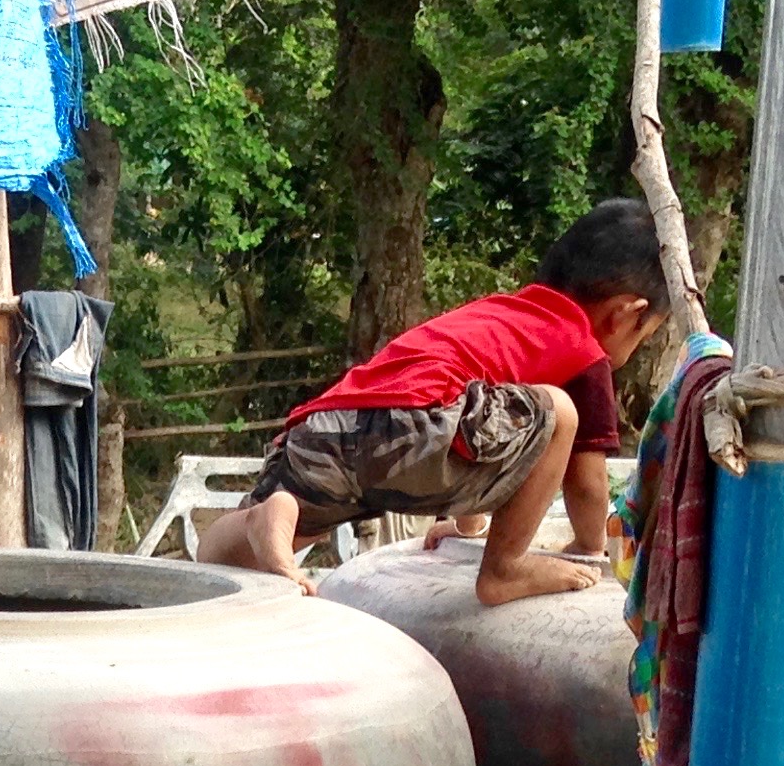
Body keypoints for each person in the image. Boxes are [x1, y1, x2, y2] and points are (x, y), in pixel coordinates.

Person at [199, 200, 670, 605]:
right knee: (557, 413)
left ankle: (267, 518)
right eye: (645, 336)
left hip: (325, 427)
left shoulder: (496, 314)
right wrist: (589, 547)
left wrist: (468, 525)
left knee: (225, 556)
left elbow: (479, 412)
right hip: (416, 426)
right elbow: (585, 483)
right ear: (626, 314)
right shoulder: (582, 350)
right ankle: (504, 569)